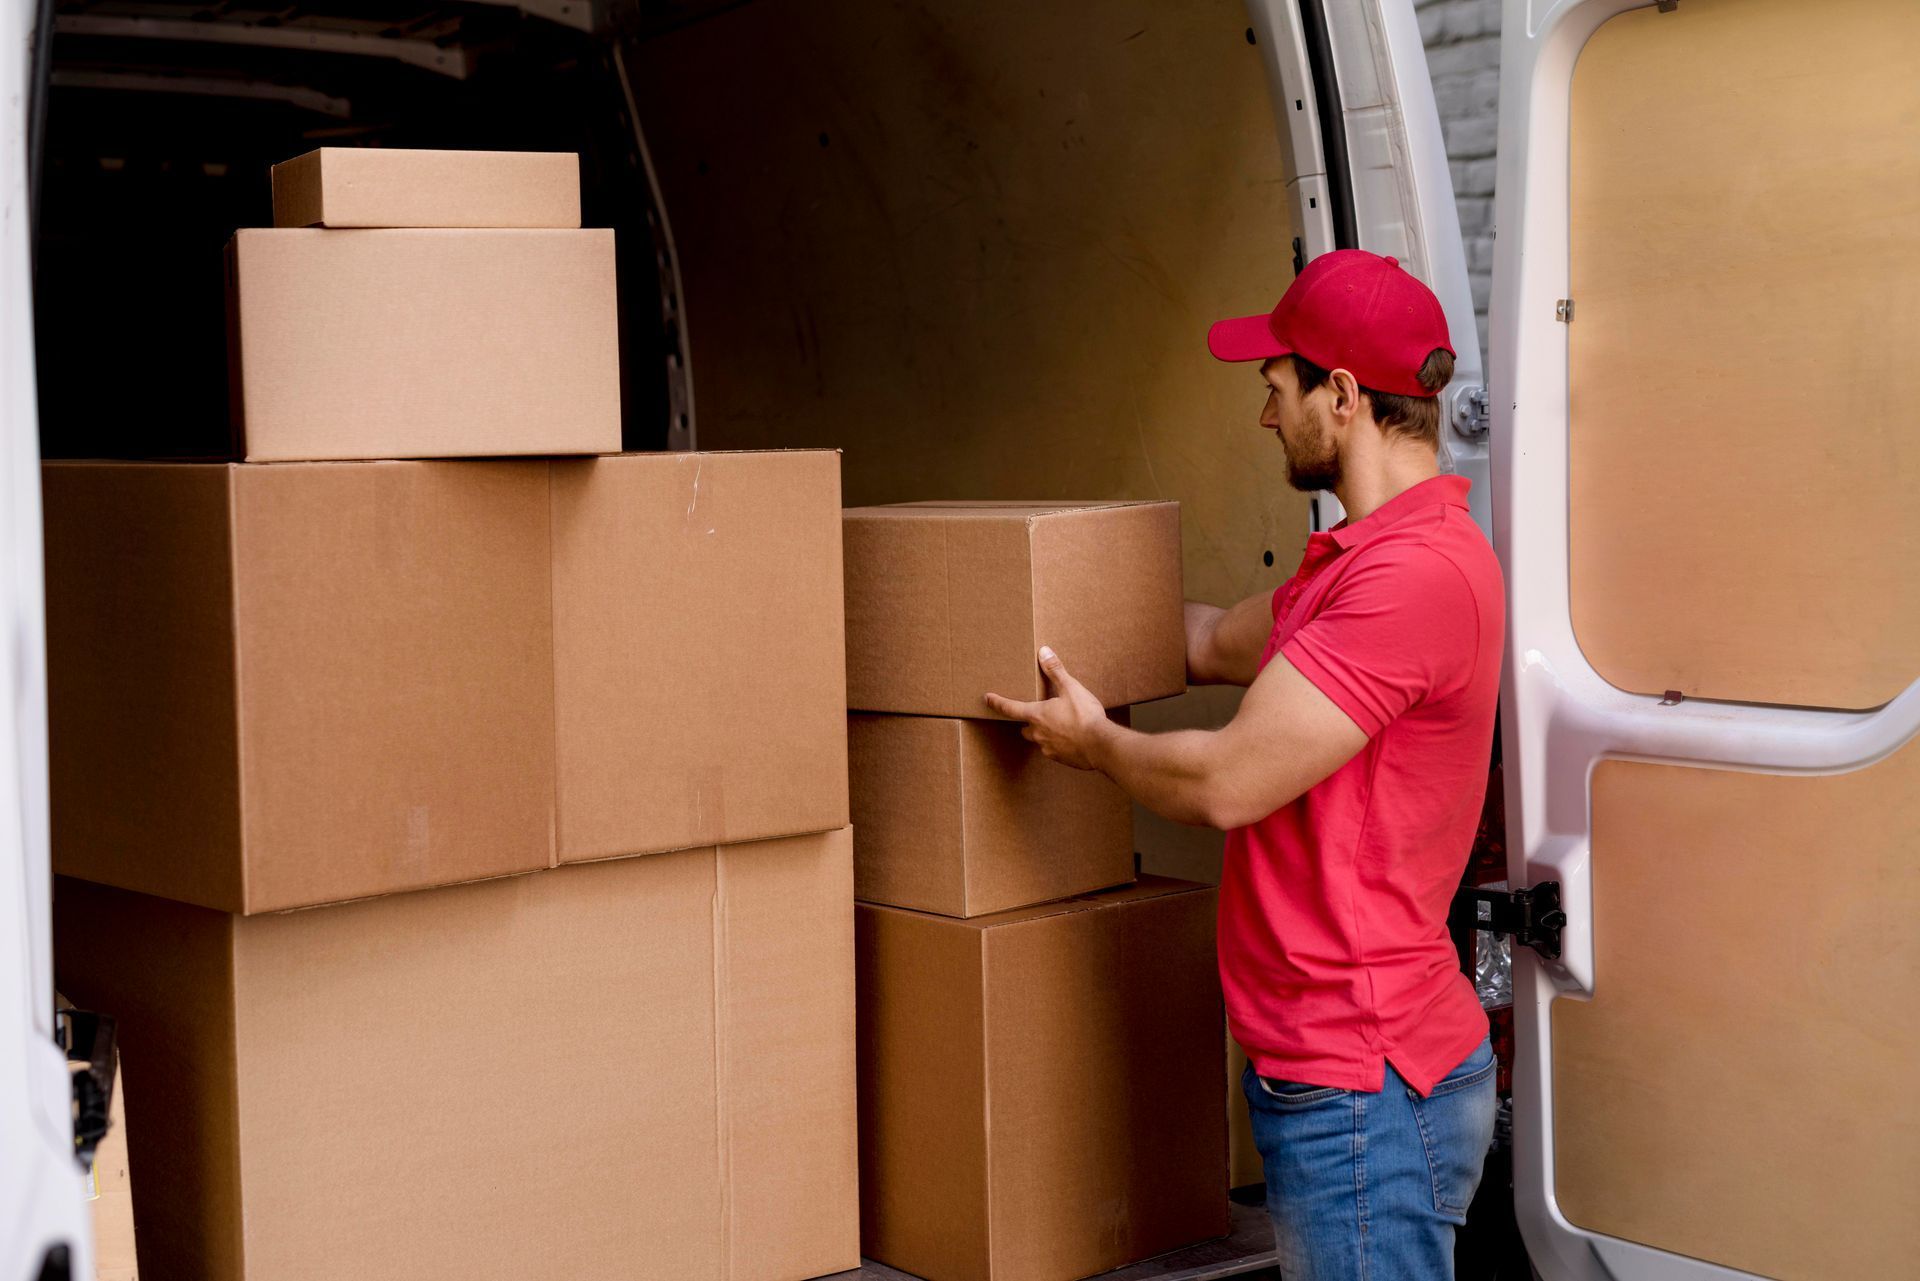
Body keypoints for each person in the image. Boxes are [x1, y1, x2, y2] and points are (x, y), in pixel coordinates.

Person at [985, 249, 1504, 1280]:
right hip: (1340, 1071)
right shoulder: (1355, 562)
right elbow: (1211, 637)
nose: (1267, 417)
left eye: (1278, 390)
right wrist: (1003, 602)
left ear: (1342, 397)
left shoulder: (1414, 581)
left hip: (1366, 1083)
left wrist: (1095, 746)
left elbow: (1225, 783)